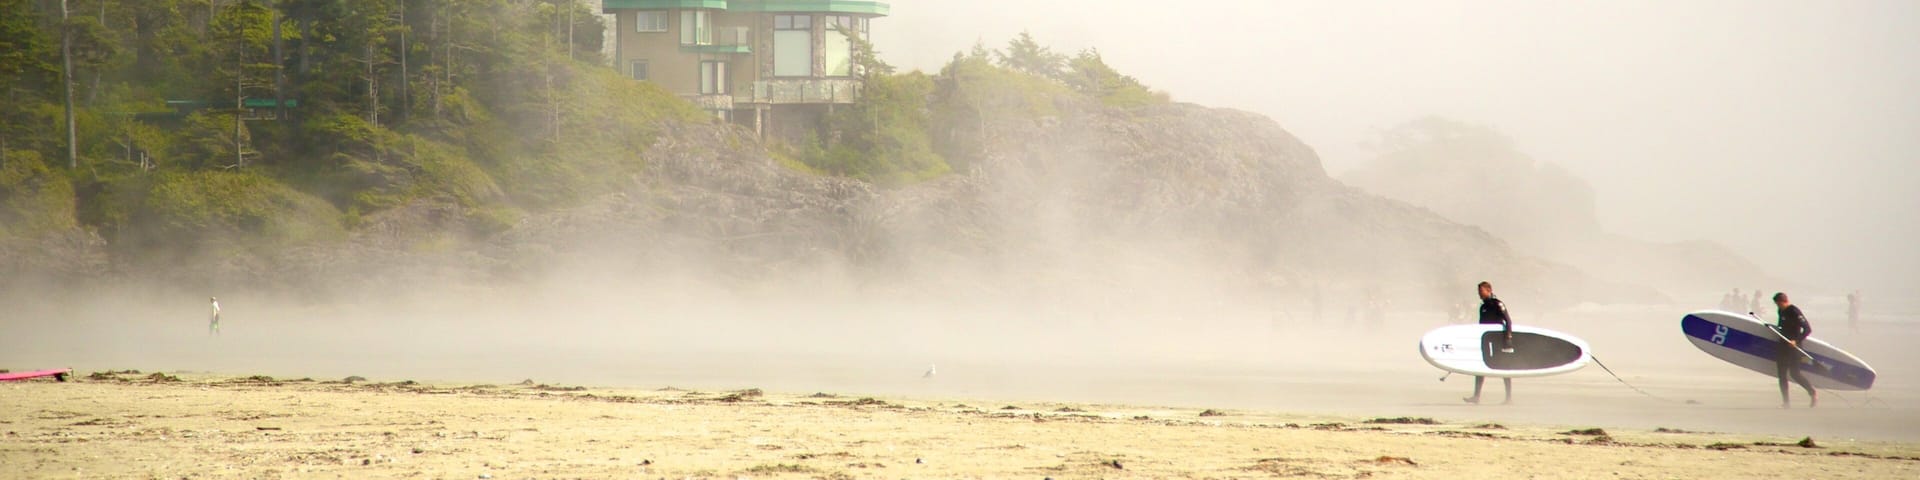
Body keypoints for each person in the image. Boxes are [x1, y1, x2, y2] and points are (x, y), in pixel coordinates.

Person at [1466, 281, 1513, 405]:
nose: (1479, 295)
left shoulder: (1498, 304)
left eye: (1481, 292)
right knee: (1480, 366)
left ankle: (1509, 397)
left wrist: (1508, 338)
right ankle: (1476, 396)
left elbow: (1508, 321)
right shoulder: (1483, 307)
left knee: (1504, 367)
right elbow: (1481, 325)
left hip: (1498, 340)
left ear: (1488, 290)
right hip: (1486, 340)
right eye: (1478, 292)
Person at [1772, 292, 1816, 408]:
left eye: (1779, 304)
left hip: (1794, 348)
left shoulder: (1794, 311)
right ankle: (1786, 402)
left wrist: (1796, 340)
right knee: (1781, 375)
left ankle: (1812, 392)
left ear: (1784, 301)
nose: (1778, 307)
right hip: (1782, 347)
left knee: (1795, 373)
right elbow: (1782, 327)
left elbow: (1807, 329)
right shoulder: (1781, 311)